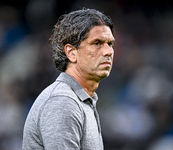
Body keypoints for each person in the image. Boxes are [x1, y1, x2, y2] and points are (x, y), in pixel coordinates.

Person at [22, 8, 115, 150]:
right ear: (71, 53)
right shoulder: (62, 101)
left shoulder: (80, 99)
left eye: (110, 44)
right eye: (97, 43)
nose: (108, 51)